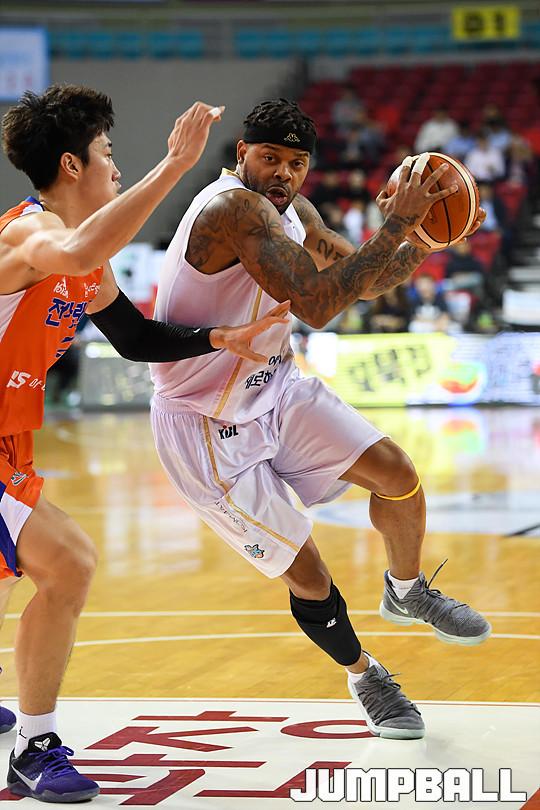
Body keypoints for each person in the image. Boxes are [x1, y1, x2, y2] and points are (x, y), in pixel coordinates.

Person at [150, 99, 490, 742]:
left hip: (274, 388)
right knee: (307, 574)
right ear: (242, 153)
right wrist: (398, 223)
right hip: (203, 422)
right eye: (269, 158)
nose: (283, 173)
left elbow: (358, 280)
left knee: (396, 473)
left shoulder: (294, 212)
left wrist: (420, 240)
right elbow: (317, 307)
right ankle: (367, 676)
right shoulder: (233, 210)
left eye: (296, 163)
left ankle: (407, 589)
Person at [0, 84, 290, 803]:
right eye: (106, 154)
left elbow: (133, 337)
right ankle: (35, 747)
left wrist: (217, 337)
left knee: (25, 573)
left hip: (11, 443)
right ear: (72, 166)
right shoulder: (29, 236)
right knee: (68, 565)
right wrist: (176, 165)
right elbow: (78, 246)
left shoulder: (84, 264)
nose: (117, 166)